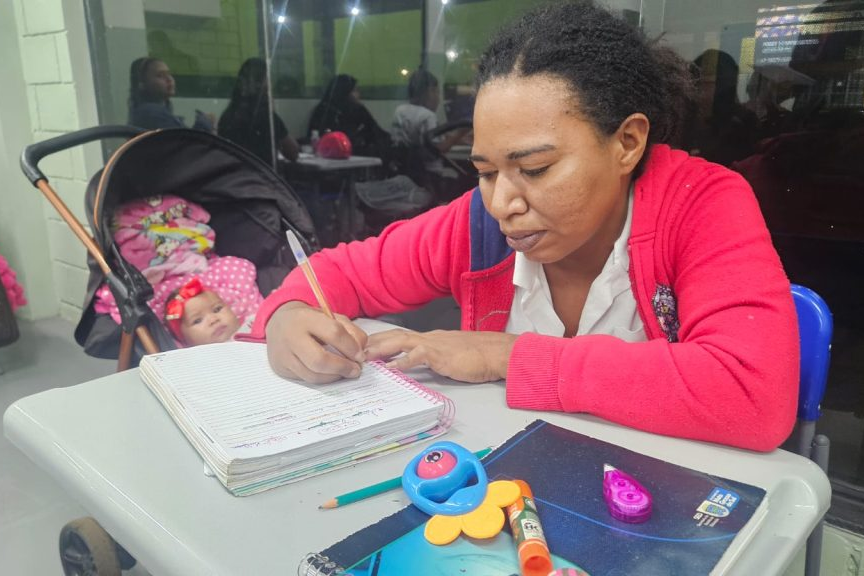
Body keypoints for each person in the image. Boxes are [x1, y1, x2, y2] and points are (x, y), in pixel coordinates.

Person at [253, 1, 798, 452]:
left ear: (627, 143)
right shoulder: (479, 226)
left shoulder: (699, 204)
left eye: (534, 169)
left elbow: (754, 394)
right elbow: (335, 274)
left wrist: (504, 355)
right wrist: (288, 316)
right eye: (486, 171)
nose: (502, 203)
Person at [218, 57, 299, 165]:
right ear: (260, 84)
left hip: (234, 179)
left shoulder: (227, 116)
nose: (270, 84)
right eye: (268, 79)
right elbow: (293, 153)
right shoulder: (267, 117)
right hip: (261, 179)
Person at [307, 74, 391, 157]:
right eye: (354, 90)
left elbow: (377, 133)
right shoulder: (325, 111)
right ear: (344, 92)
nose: (358, 94)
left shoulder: (358, 110)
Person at [391, 69, 470, 155]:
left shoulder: (400, 110)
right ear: (430, 92)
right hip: (429, 167)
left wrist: (458, 139)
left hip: (405, 165)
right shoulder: (427, 116)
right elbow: (439, 148)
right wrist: (461, 132)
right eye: (437, 92)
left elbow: (421, 138)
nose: (438, 99)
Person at [128, 57, 214, 132]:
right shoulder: (150, 113)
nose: (169, 79)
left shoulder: (150, 111)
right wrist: (205, 123)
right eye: (160, 75)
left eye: (169, 74)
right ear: (142, 84)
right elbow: (187, 144)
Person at [164, 278, 249, 347]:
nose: (213, 320)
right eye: (197, 320)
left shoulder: (252, 324)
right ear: (185, 341)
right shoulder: (198, 362)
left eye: (217, 309)